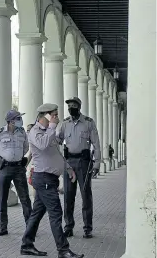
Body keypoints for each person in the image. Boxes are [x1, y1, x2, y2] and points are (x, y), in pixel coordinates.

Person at [20, 103, 84, 258]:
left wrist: (68, 168)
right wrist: (52, 127)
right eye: (54, 114)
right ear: (46, 115)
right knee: (56, 213)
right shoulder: (35, 132)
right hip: (44, 178)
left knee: (37, 213)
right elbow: (42, 145)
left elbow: (56, 154)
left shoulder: (49, 132)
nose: (57, 117)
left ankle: (27, 245)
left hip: (50, 179)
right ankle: (63, 250)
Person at [57, 97, 101, 239]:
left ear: (79, 107)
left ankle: (87, 228)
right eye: (69, 105)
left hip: (83, 163)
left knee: (85, 196)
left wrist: (97, 163)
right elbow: (57, 140)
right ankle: (68, 227)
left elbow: (96, 144)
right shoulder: (64, 123)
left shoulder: (88, 122)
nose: (71, 108)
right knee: (68, 196)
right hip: (69, 162)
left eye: (73, 105)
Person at [0, 110, 32, 236]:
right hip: (5, 168)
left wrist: (18, 157)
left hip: (19, 168)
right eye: (18, 118)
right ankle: (3, 228)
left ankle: (30, 227)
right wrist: (1, 158)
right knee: (3, 198)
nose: (21, 120)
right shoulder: (0, 132)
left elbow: (26, 147)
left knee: (25, 198)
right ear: (11, 121)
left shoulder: (22, 132)